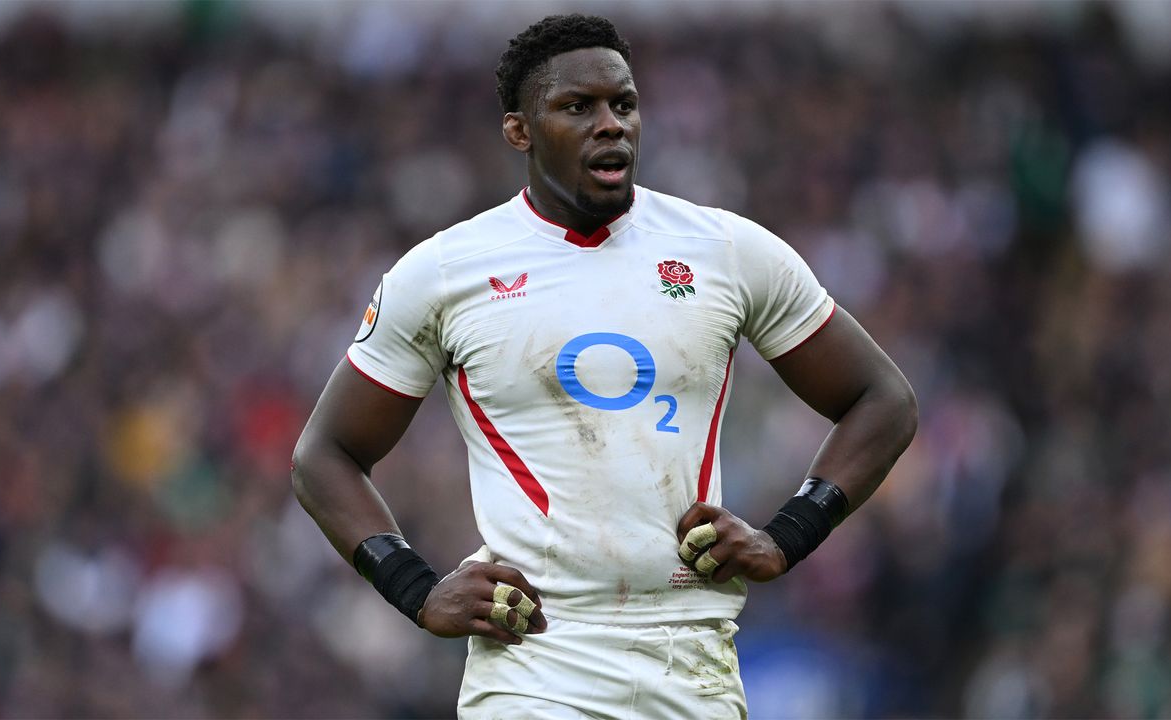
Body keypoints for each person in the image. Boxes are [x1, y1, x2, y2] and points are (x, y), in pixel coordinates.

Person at [292, 13, 917, 717]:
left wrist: (787, 536)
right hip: (533, 662)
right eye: (577, 107)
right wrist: (415, 588)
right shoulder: (444, 273)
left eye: (624, 104)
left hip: (691, 659)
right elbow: (325, 455)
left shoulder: (725, 251)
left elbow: (883, 400)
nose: (611, 124)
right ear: (520, 130)